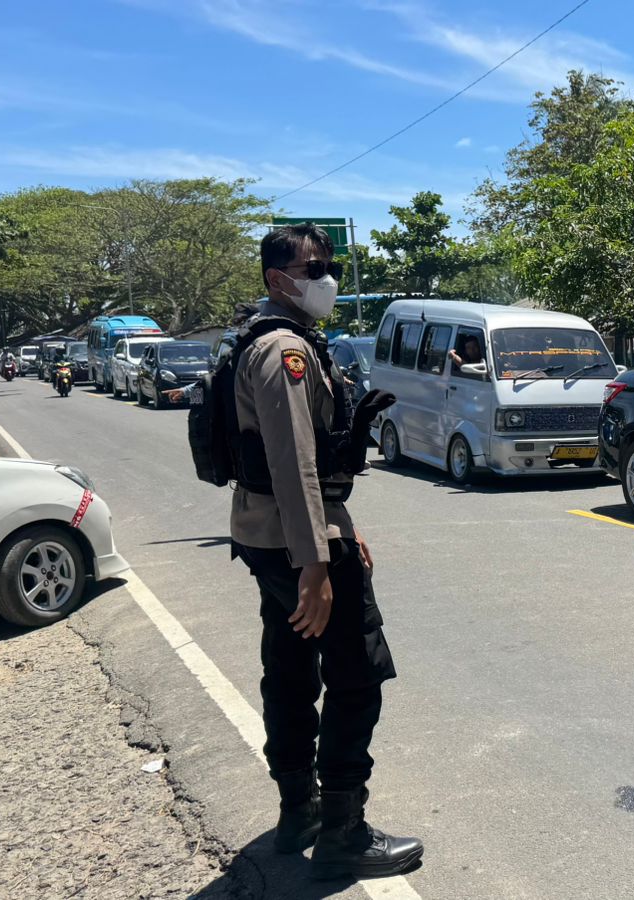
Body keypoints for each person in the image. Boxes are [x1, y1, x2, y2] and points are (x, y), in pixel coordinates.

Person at [228, 223, 421, 880]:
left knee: (288, 668)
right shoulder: (286, 350)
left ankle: (299, 810)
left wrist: (343, 524)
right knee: (356, 675)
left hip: (267, 535)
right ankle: (343, 830)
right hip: (298, 543)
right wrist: (316, 561)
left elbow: (308, 462)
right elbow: (291, 461)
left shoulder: (267, 338)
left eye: (328, 265)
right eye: (314, 268)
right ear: (278, 280)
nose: (326, 279)